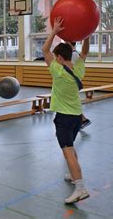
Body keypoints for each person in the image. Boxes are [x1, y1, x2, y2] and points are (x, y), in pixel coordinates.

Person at [42, 17, 90, 204]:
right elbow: (84, 52)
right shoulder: (78, 69)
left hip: (64, 118)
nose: (54, 59)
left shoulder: (58, 70)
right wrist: (86, 34)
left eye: (56, 57)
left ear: (60, 58)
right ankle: (73, 175)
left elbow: (44, 49)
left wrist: (54, 30)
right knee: (71, 147)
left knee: (67, 151)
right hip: (77, 116)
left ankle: (80, 188)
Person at [68, 41, 92, 129]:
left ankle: (83, 120)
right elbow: (85, 52)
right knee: (72, 104)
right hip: (73, 84)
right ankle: (82, 120)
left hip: (71, 84)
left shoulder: (73, 55)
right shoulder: (75, 54)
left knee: (70, 105)